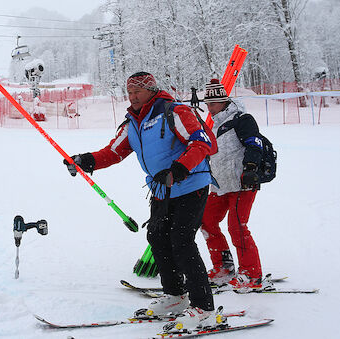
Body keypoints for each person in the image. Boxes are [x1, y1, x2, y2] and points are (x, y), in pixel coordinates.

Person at [63, 72, 224, 331]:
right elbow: (114, 151)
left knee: (181, 242)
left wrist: (179, 169)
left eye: (138, 91)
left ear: (151, 89)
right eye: (129, 92)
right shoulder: (133, 122)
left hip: (191, 185)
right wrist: (86, 160)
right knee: (158, 238)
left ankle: (204, 308)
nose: (133, 96)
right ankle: (175, 296)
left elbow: (204, 142)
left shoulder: (174, 111)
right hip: (162, 190)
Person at [199, 79, 264, 290]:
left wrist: (251, 168)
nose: (209, 108)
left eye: (213, 104)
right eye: (207, 104)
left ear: (224, 102)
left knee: (237, 226)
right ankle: (224, 267)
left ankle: (251, 275)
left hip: (242, 182)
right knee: (206, 221)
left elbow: (255, 143)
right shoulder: (213, 124)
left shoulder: (242, 119)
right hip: (220, 185)